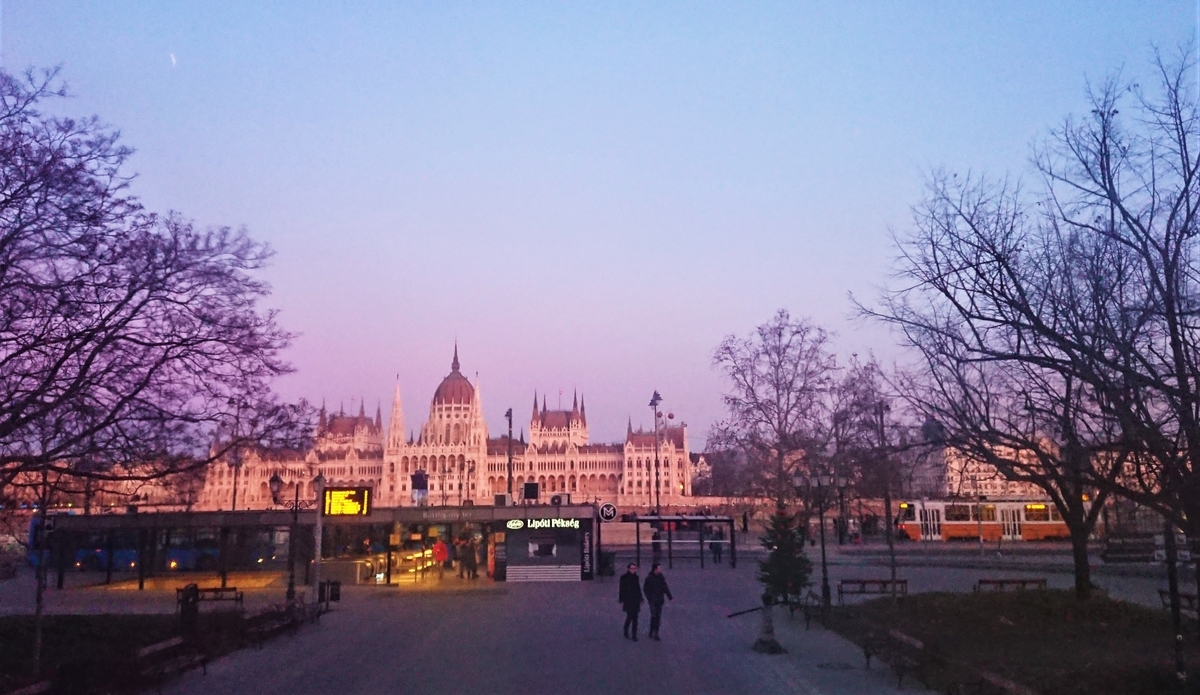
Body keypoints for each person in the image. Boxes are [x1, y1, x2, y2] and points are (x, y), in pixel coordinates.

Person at [642, 562, 673, 641]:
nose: (660, 569)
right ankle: (652, 630)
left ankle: (655, 632)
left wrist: (670, 596)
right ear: (655, 569)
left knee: (658, 616)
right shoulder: (649, 578)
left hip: (659, 600)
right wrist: (649, 597)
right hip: (652, 600)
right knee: (654, 615)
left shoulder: (661, 578)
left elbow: (665, 587)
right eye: (659, 568)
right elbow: (645, 589)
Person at [618, 563, 643, 641]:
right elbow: (621, 589)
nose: (633, 570)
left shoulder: (636, 577)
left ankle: (634, 634)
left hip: (635, 600)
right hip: (628, 600)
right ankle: (626, 629)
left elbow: (638, 588)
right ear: (628, 569)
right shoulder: (624, 578)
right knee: (630, 616)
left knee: (635, 617)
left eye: (634, 568)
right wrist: (621, 599)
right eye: (632, 568)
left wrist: (641, 598)